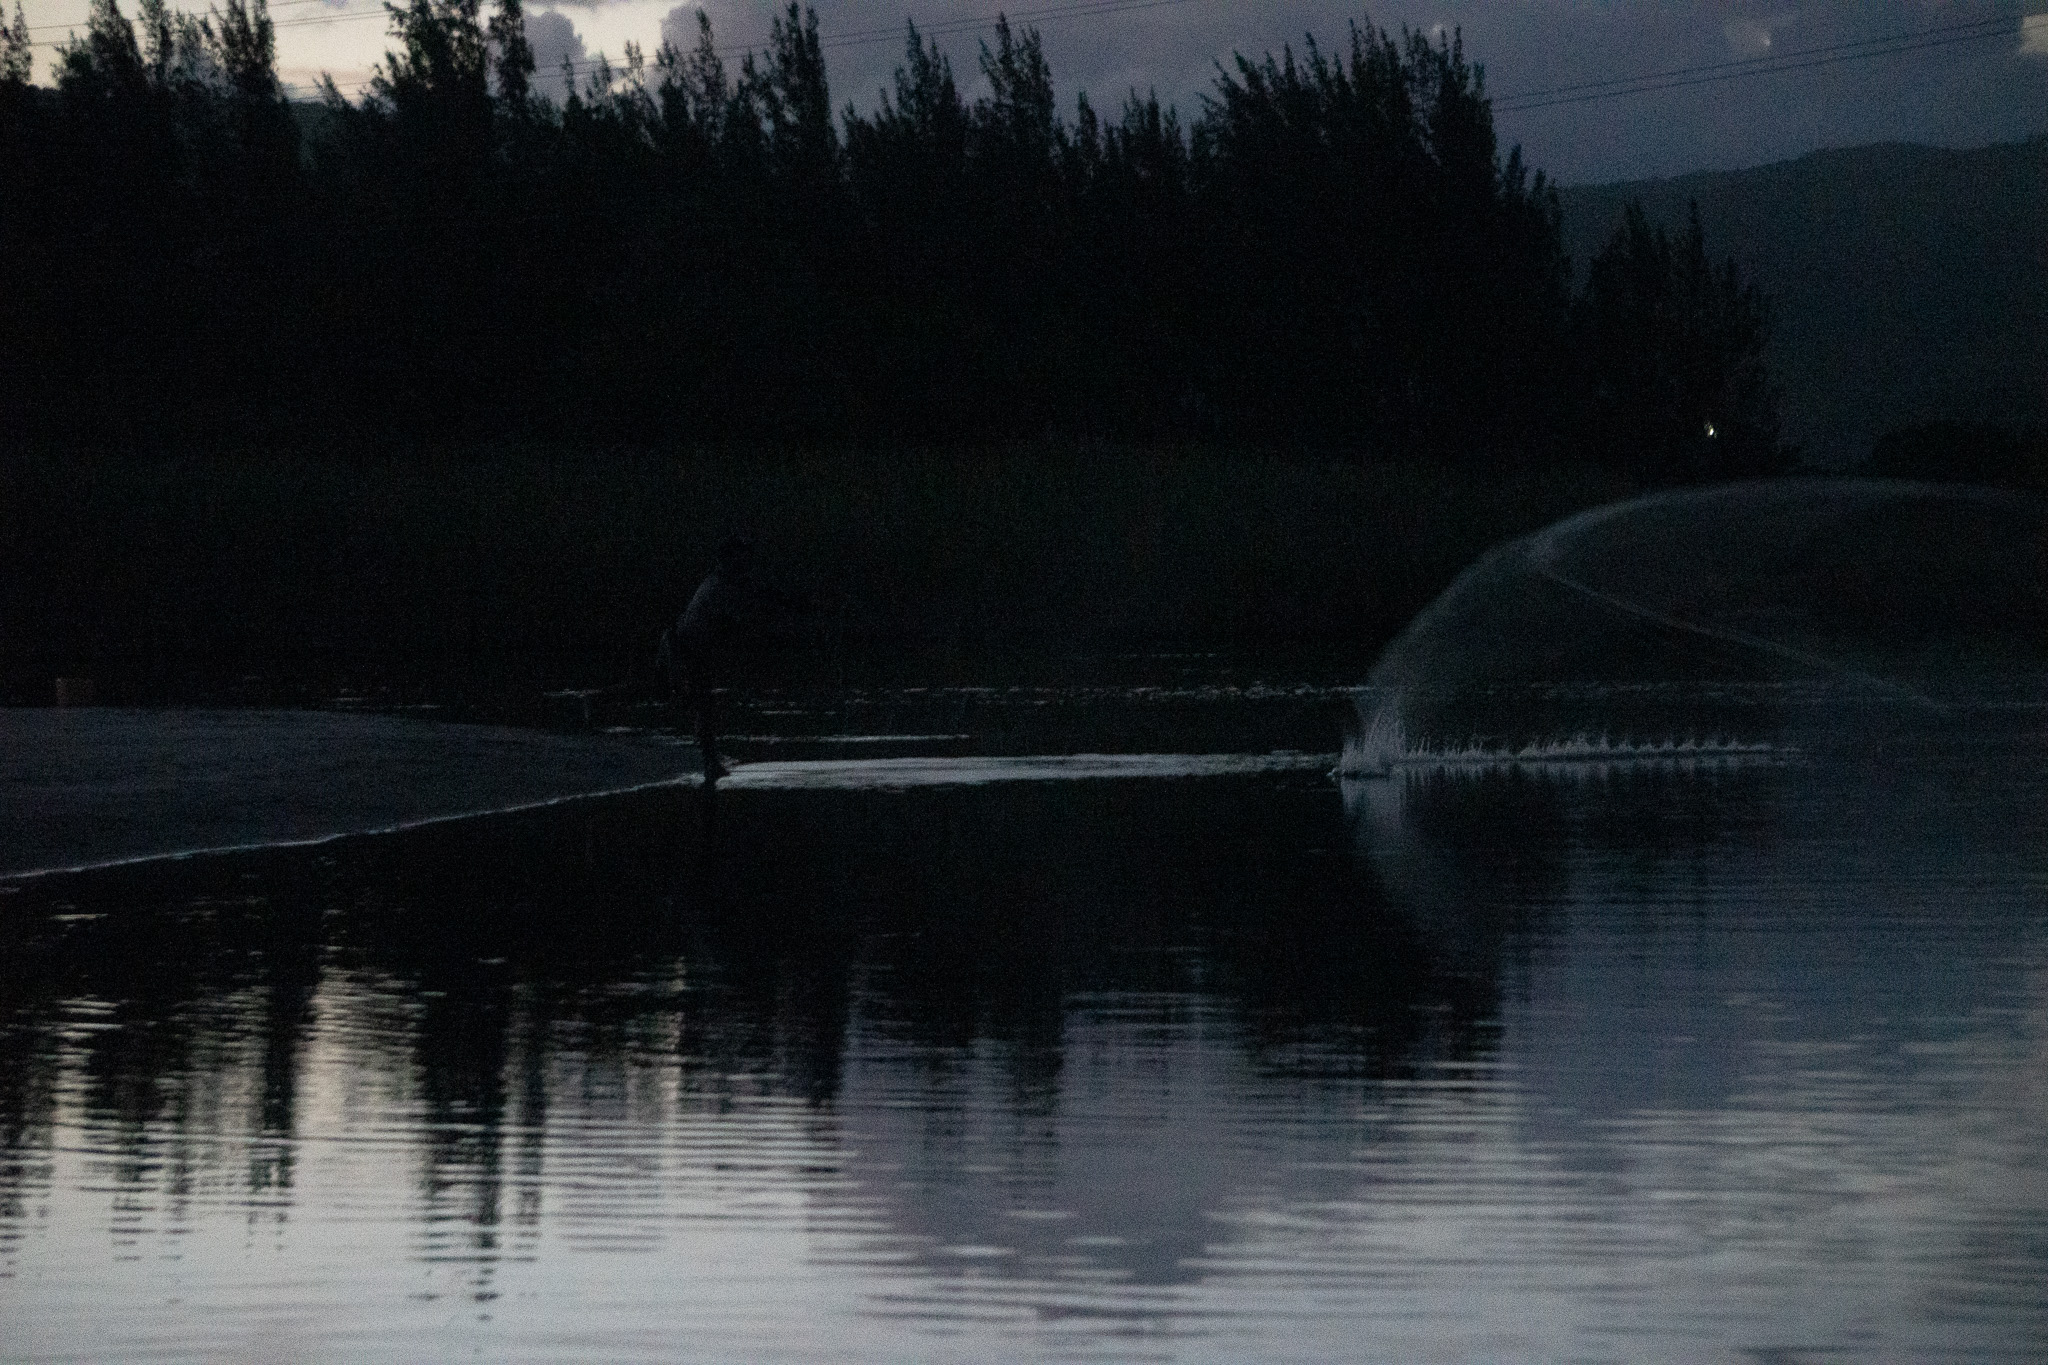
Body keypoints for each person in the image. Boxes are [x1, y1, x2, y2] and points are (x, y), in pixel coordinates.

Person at [659, 536, 807, 783]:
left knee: (701, 706)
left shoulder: (729, 582)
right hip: (685, 648)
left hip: (695, 648)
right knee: (699, 705)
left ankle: (711, 762)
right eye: (741, 557)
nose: (746, 562)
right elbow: (738, 618)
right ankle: (710, 763)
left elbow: (756, 600)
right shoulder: (718, 586)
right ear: (728, 559)